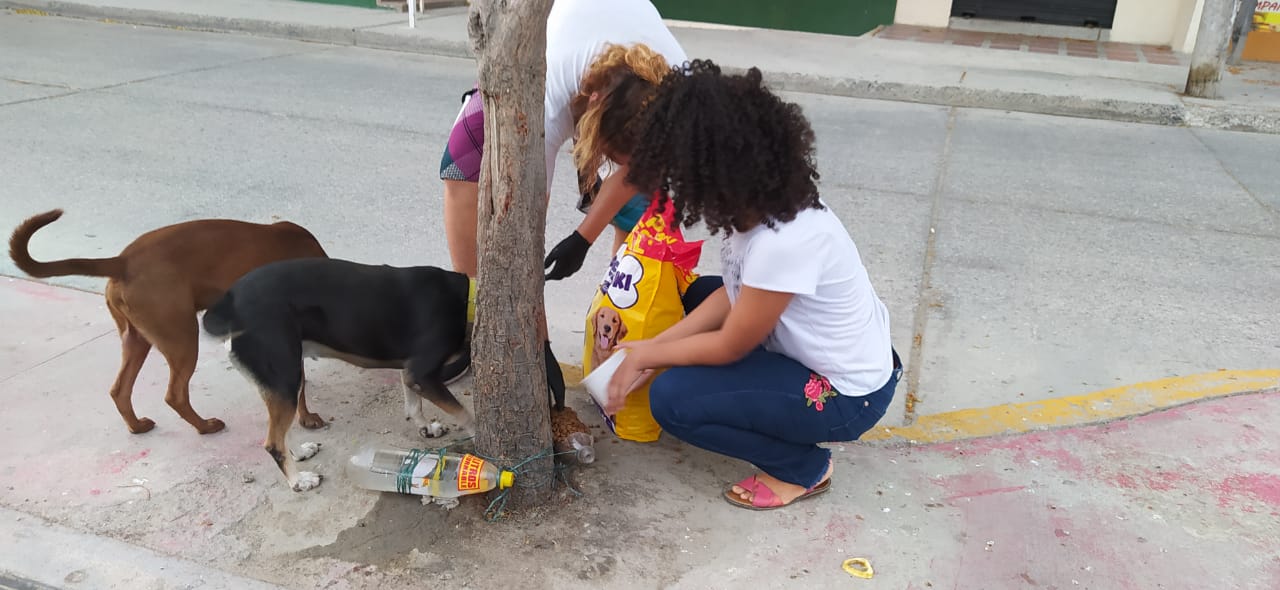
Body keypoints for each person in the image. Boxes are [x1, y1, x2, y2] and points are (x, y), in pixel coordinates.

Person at [604, 60, 902, 511]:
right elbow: (734, 292)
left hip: (847, 395)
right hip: (819, 355)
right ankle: (758, 406)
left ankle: (802, 469)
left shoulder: (784, 240)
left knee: (673, 401)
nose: (667, 187)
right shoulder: (758, 201)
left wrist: (648, 355)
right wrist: (655, 346)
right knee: (699, 294)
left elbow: (729, 346)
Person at [436, 0, 686, 383]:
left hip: (619, 79)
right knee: (461, 167)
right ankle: (473, 322)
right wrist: (542, 345)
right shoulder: (545, 99)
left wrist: (582, 239)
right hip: (531, 57)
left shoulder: (677, 87)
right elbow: (524, 232)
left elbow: (635, 171)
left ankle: (619, 330)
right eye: (610, 154)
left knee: (641, 205)